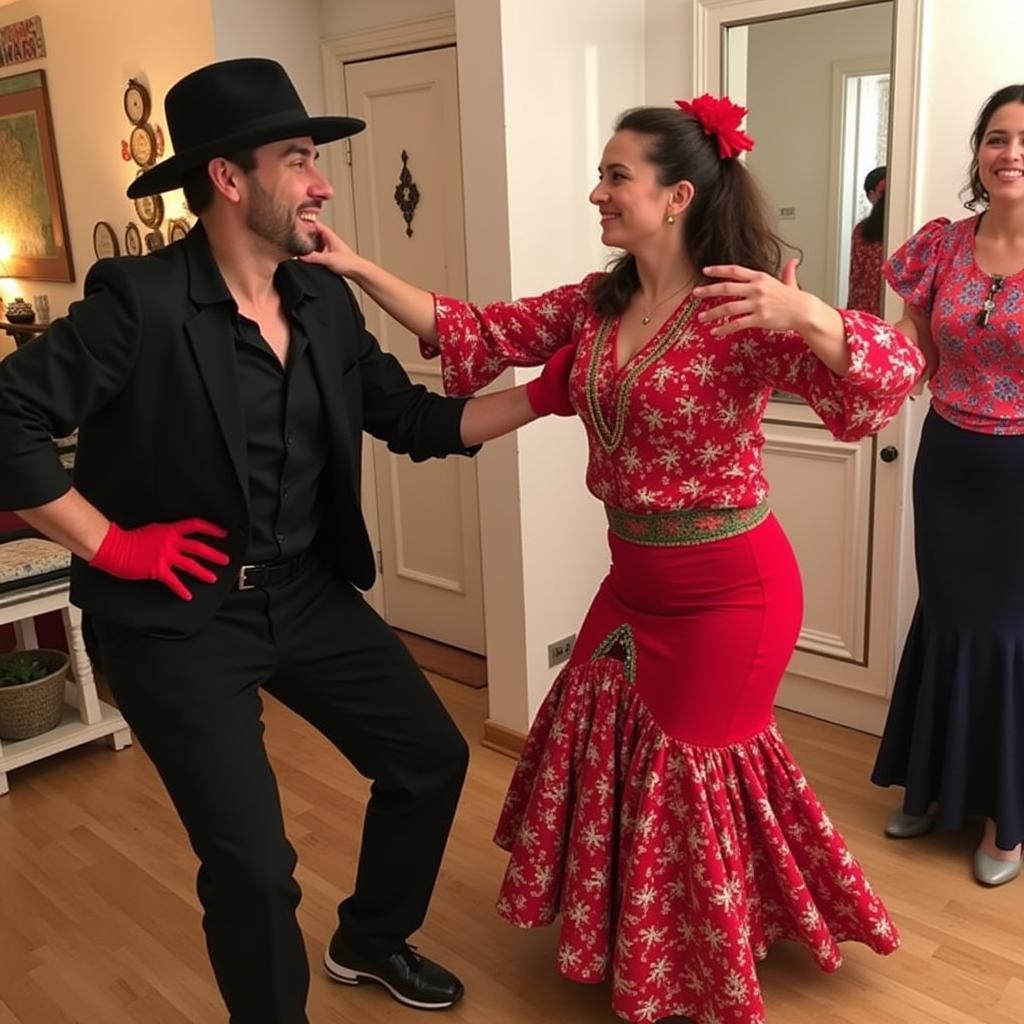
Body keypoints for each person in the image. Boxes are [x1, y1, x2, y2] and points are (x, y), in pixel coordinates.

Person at [303, 95, 924, 1024]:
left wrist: (804, 311)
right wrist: (351, 265)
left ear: (677, 197)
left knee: (691, 770)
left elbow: (889, 381)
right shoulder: (599, 304)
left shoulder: (741, 306)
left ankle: (695, 968)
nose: (597, 192)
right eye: (600, 174)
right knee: (599, 735)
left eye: (614, 176)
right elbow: (474, 329)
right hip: (632, 582)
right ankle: (643, 928)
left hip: (733, 591)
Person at [0, 58, 577, 1024]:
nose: (321, 181)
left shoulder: (321, 301)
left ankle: (371, 938)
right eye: (300, 158)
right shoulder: (138, 305)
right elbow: (6, 415)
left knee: (431, 762)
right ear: (229, 178)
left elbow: (415, 421)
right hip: (174, 618)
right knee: (256, 869)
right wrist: (114, 546)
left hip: (303, 592)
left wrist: (551, 392)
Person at [871, 84, 1024, 887]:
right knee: (946, 617)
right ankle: (929, 788)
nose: (1011, 153)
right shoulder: (942, 244)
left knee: (1007, 637)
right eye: (997, 137)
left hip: (1020, 473)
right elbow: (912, 346)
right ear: (978, 150)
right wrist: (863, 375)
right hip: (948, 457)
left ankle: (1007, 818)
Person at [847, 165, 887, 315]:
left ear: (871, 195)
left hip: (864, 308)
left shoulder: (862, 230)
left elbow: (855, 275)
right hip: (895, 308)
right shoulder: (905, 228)